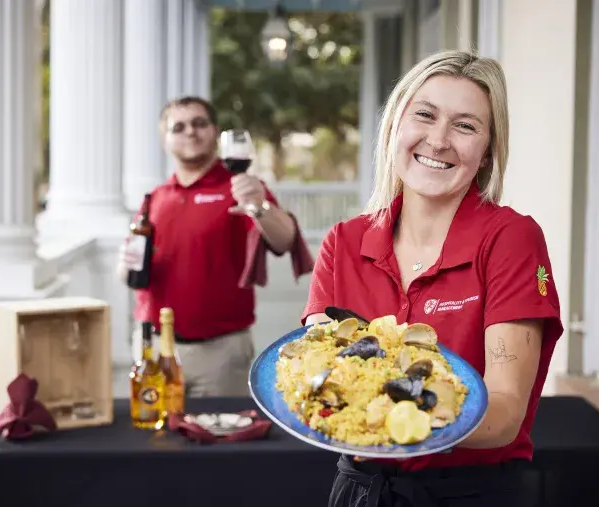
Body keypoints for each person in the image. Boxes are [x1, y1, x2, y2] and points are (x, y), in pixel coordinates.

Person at [302, 50, 562, 506]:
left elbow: (502, 413)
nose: (439, 140)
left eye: (465, 126)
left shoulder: (512, 239)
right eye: (424, 115)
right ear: (395, 128)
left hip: (471, 493)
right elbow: (316, 372)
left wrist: (381, 417)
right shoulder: (343, 242)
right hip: (361, 490)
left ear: (486, 152)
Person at [118, 96, 307, 398]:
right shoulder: (154, 198)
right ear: (164, 140)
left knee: (220, 441)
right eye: (178, 127)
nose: (190, 131)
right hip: (154, 348)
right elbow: (129, 273)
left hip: (220, 353)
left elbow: (285, 241)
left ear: (215, 131)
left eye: (199, 123)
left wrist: (259, 205)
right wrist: (125, 263)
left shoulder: (241, 186)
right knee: (154, 439)